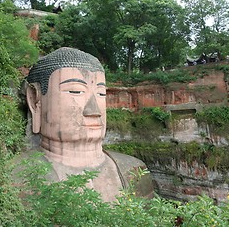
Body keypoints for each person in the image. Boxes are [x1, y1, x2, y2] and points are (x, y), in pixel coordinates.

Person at [24, 47, 154, 202]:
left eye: (101, 94)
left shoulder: (133, 169)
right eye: (75, 91)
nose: (94, 110)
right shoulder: (18, 177)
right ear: (35, 100)